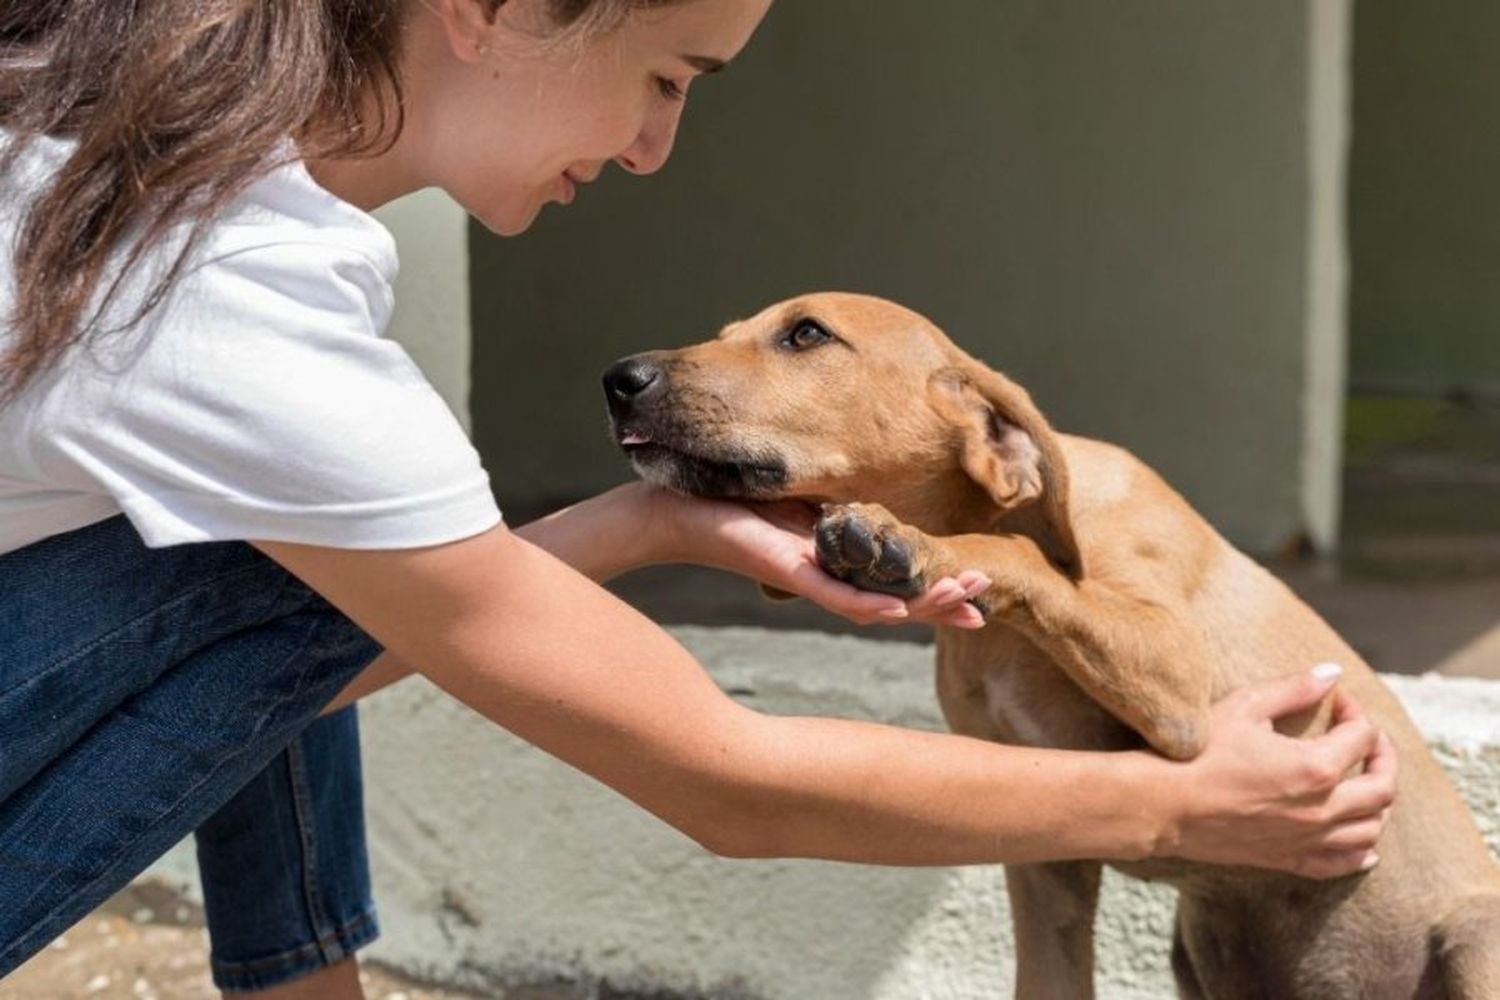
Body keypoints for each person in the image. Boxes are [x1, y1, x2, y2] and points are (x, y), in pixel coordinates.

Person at [0, 2, 1395, 997]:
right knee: (311, 546)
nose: (657, 146)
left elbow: (359, 629)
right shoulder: (225, 292)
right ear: (489, 13)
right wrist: (1182, 811)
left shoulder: (139, 130)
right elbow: (723, 781)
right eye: (670, 76)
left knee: (332, 549)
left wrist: (654, 522)